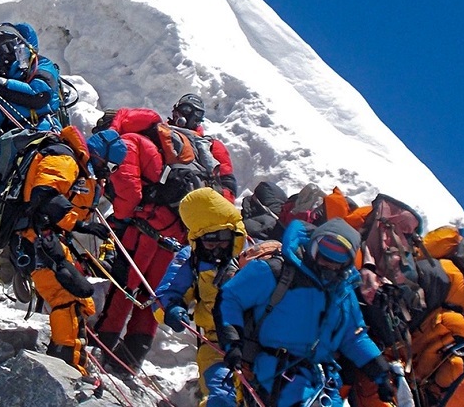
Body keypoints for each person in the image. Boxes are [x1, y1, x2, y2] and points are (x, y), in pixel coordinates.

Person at [217, 218, 401, 407]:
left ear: (346, 264)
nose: (328, 267)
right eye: (324, 258)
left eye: (336, 264)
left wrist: (380, 372)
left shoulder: (342, 291)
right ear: (313, 250)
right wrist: (232, 342)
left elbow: (353, 337)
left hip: (321, 379)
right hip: (275, 373)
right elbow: (230, 298)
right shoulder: (275, 272)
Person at [17, 126, 126, 374]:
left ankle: (69, 361)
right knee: (66, 298)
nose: (107, 174)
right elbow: (44, 196)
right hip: (36, 241)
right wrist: (80, 225)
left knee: (77, 298)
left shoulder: (75, 164)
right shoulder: (65, 160)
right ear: (99, 157)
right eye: (109, 167)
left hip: (46, 241)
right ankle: (66, 365)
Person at [93, 107, 187, 377]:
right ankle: (131, 358)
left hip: (143, 231)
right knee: (151, 295)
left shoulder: (129, 142)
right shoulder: (159, 146)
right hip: (172, 235)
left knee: (124, 287)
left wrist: (118, 219)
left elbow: (130, 192)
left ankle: (102, 345)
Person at [155, 187, 247, 407]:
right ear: (197, 237)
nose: (216, 248)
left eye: (222, 239)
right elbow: (167, 293)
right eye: (209, 242)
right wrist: (171, 310)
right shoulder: (191, 260)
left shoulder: (253, 252)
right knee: (221, 397)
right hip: (214, 344)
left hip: (255, 344)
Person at [0, 22, 62, 133]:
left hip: (42, 132)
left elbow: (39, 96)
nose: (3, 53)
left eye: (7, 46)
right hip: (10, 141)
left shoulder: (42, 65)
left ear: (22, 46)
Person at [167, 93, 238, 202]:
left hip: (197, 204)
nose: (185, 115)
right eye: (184, 109)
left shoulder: (211, 146)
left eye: (193, 112)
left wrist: (218, 207)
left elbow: (227, 183)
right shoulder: (160, 135)